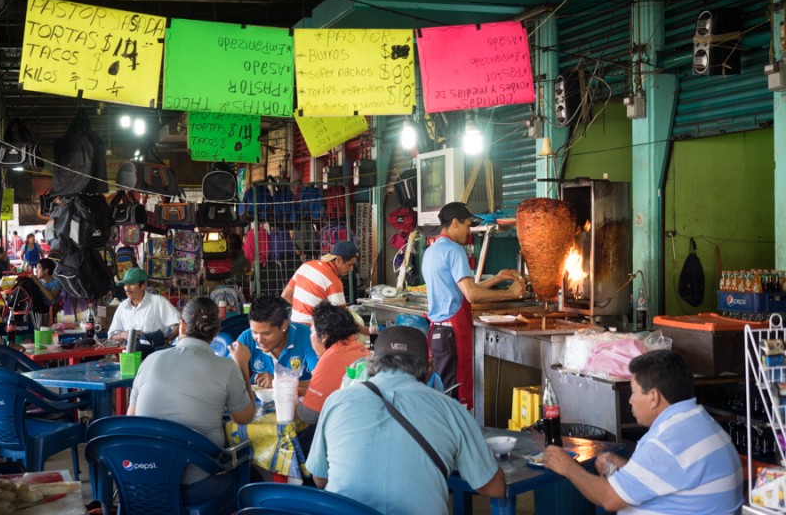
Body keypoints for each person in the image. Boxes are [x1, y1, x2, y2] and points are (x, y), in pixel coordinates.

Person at [307, 326, 505, 514]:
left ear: (372, 362)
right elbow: (494, 488)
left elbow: (320, 479)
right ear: (428, 368)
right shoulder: (450, 409)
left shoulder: (337, 401)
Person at [543, 350, 743, 514]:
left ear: (654, 397)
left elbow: (609, 498)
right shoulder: (701, 422)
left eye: (634, 392)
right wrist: (630, 468)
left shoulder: (666, 441)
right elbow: (673, 474)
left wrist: (567, 466)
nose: (630, 400)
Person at [128, 296, 256, 503]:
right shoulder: (226, 367)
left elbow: (132, 419)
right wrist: (242, 365)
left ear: (182, 326)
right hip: (194, 487)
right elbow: (245, 416)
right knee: (252, 475)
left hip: (142, 481)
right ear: (216, 331)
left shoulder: (150, 360)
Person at [421, 202, 525, 409]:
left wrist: (496, 278)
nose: (469, 231)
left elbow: (464, 288)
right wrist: (509, 293)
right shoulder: (454, 250)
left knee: (444, 394)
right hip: (453, 336)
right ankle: (460, 440)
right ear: (455, 223)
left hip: (438, 335)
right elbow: (472, 294)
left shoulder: (432, 251)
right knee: (457, 398)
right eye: (468, 225)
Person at [297, 300, 370, 425]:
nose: (310, 336)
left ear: (324, 336)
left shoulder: (330, 359)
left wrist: (290, 405)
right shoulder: (361, 350)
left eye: (312, 331)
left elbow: (310, 414)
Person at [228, 295, 319, 390]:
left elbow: (323, 383)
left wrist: (279, 382)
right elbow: (226, 378)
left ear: (284, 325)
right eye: (254, 332)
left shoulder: (308, 337)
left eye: (266, 333)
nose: (259, 340)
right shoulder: (246, 338)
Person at [281, 240, 357, 326]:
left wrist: (303, 309)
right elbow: (341, 317)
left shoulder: (306, 265)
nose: (351, 269)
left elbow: (285, 295)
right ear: (338, 260)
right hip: (313, 331)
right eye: (349, 265)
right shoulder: (333, 281)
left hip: (294, 325)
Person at [107, 267, 180, 354]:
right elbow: (111, 337)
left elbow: (179, 325)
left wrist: (167, 340)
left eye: (131, 284)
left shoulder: (158, 302)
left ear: (143, 285)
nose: (127, 288)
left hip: (154, 356)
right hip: (131, 358)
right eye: (125, 284)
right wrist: (123, 335)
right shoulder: (122, 307)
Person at [30, 258, 62, 324]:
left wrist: (38, 283)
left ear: (46, 270)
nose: (36, 271)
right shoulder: (37, 281)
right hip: (38, 309)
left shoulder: (56, 283)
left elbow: (51, 297)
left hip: (50, 311)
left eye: (38, 268)